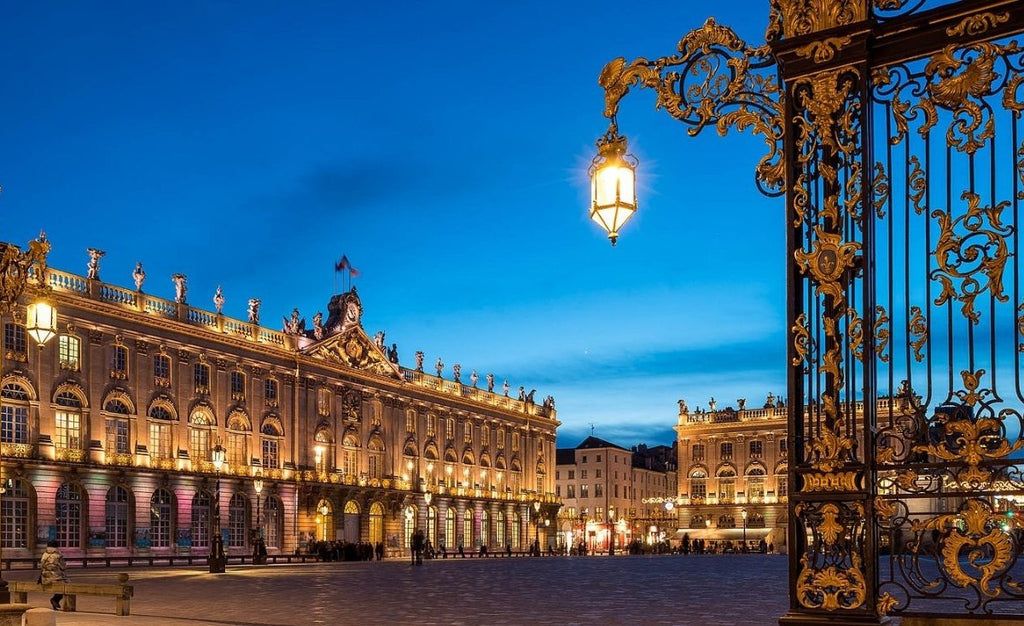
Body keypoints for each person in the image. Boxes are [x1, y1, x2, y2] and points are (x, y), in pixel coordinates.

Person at [40, 539, 68, 611]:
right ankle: (55, 600)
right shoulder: (58, 555)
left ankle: (55, 600)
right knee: (66, 586)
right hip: (56, 577)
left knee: (62, 585)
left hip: (45, 577)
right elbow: (63, 566)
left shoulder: (44, 554)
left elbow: (42, 565)